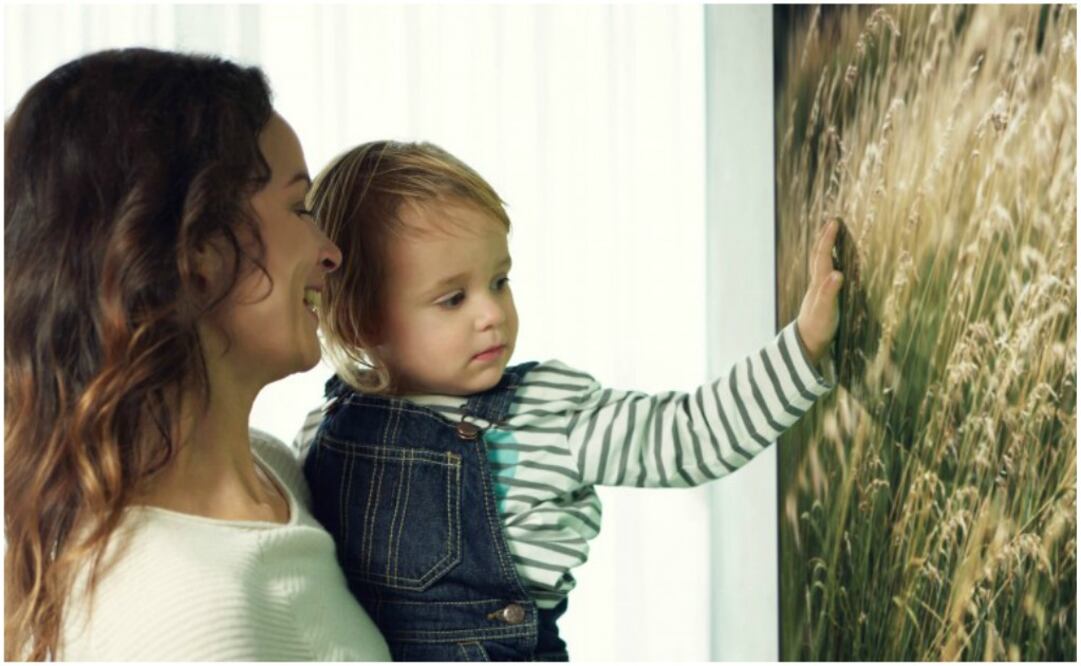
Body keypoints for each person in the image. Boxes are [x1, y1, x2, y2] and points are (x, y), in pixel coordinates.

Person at [293, 140, 844, 660]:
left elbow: (689, 436)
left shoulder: (545, 414)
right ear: (360, 322)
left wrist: (803, 348)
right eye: (453, 298)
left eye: (500, 281)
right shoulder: (325, 430)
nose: (491, 314)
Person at [4, 48, 391, 661]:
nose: (331, 252)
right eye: (298, 208)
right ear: (200, 249)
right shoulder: (189, 617)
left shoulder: (273, 471)